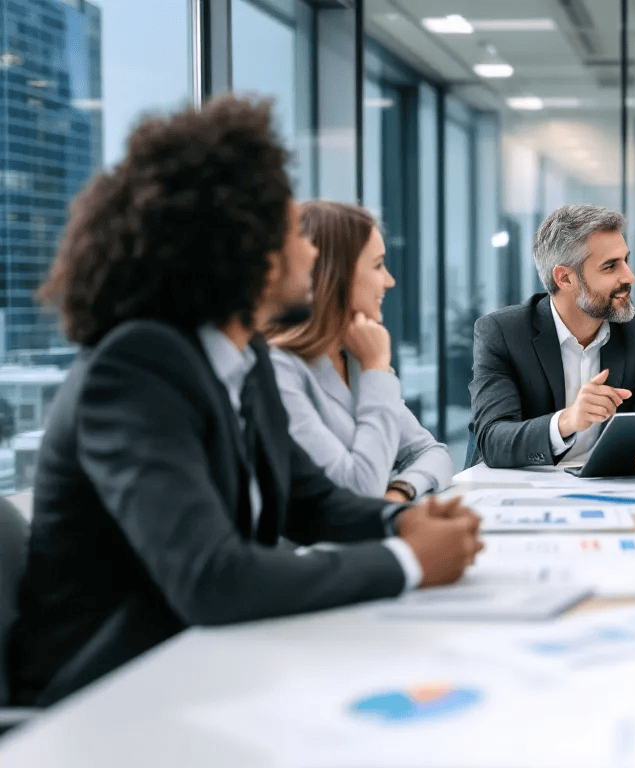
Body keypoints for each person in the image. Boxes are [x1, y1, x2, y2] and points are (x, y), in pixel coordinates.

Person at [7, 97, 484, 707]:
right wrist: (408, 563)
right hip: (107, 694)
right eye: (293, 232)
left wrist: (398, 520)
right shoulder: (136, 370)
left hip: (205, 665)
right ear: (243, 247)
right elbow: (211, 576)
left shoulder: (244, 358)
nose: (312, 252)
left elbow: (311, 501)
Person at [469, 204, 635, 475]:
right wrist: (567, 421)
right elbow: (492, 440)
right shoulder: (502, 332)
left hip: (604, 488)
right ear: (565, 278)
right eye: (610, 266)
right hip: (514, 489)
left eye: (625, 261)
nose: (629, 277)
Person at [267, 201, 452, 502]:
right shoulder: (281, 371)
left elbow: (431, 452)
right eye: (378, 265)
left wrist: (400, 491)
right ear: (336, 274)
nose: (389, 281)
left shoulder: (353, 356)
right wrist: (377, 367)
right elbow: (357, 490)